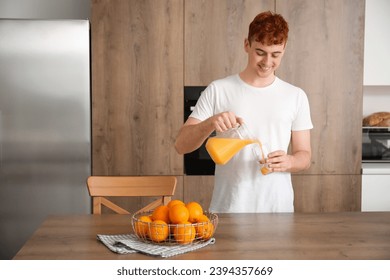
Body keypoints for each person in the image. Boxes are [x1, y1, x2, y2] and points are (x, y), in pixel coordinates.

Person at [175, 11, 313, 213]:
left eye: (275, 54)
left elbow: (305, 156)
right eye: (260, 52)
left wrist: (290, 161)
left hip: (278, 212)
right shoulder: (218, 90)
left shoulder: (296, 96)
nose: (267, 62)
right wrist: (210, 123)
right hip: (229, 209)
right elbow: (181, 145)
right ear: (246, 44)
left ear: (284, 49)